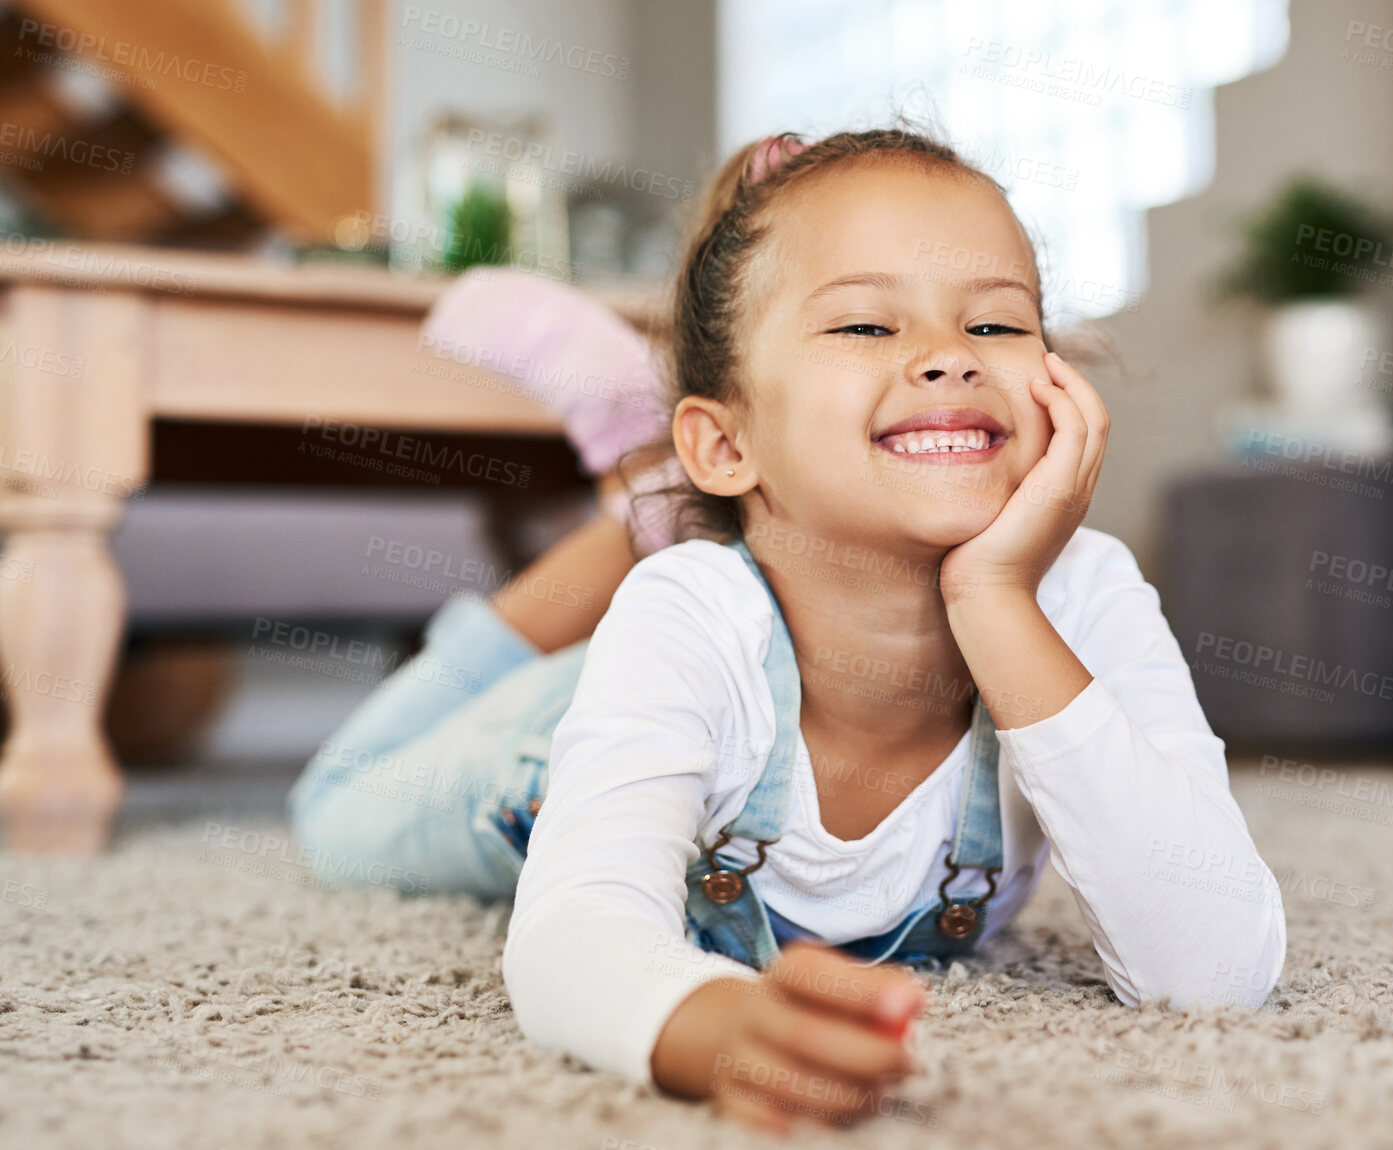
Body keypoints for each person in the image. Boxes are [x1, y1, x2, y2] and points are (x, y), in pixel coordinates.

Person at [289, 124, 1286, 1134]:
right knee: (332, 809)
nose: (947, 357)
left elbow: (1212, 965)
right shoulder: (686, 612)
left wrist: (994, 597)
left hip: (712, 640)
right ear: (725, 442)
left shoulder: (1082, 595)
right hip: (575, 721)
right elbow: (571, 932)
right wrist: (710, 1024)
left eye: (995, 325)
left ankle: (645, 491)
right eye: (864, 327)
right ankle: (635, 501)